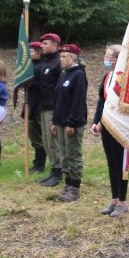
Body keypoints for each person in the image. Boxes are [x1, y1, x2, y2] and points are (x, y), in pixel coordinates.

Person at [89, 45, 129, 217]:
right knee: (112, 162)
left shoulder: (125, 78)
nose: (105, 59)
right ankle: (114, 198)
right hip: (106, 125)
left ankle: (123, 200)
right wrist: (96, 122)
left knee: (122, 164)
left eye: (108, 56)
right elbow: (102, 101)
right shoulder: (108, 76)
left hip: (121, 126)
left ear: (117, 59)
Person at [52, 43, 88, 202]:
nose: (61, 59)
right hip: (60, 121)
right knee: (63, 155)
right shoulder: (64, 74)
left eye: (64, 56)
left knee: (73, 154)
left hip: (72, 122)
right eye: (60, 56)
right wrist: (55, 120)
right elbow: (58, 99)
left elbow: (78, 101)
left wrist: (72, 123)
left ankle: (75, 186)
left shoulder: (78, 75)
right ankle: (67, 183)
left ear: (73, 57)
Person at [37, 33, 64, 186]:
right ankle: (53, 168)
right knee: (47, 141)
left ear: (55, 45)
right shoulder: (46, 62)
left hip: (53, 107)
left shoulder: (58, 63)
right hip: (43, 106)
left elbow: (60, 89)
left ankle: (58, 171)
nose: (42, 46)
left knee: (54, 141)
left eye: (45, 43)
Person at [25, 41, 47, 174]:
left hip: (38, 105)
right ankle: (37, 162)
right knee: (33, 135)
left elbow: (42, 87)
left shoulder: (42, 67)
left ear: (39, 52)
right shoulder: (32, 66)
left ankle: (39, 164)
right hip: (31, 103)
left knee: (38, 136)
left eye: (31, 51)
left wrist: (29, 82)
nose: (28, 54)